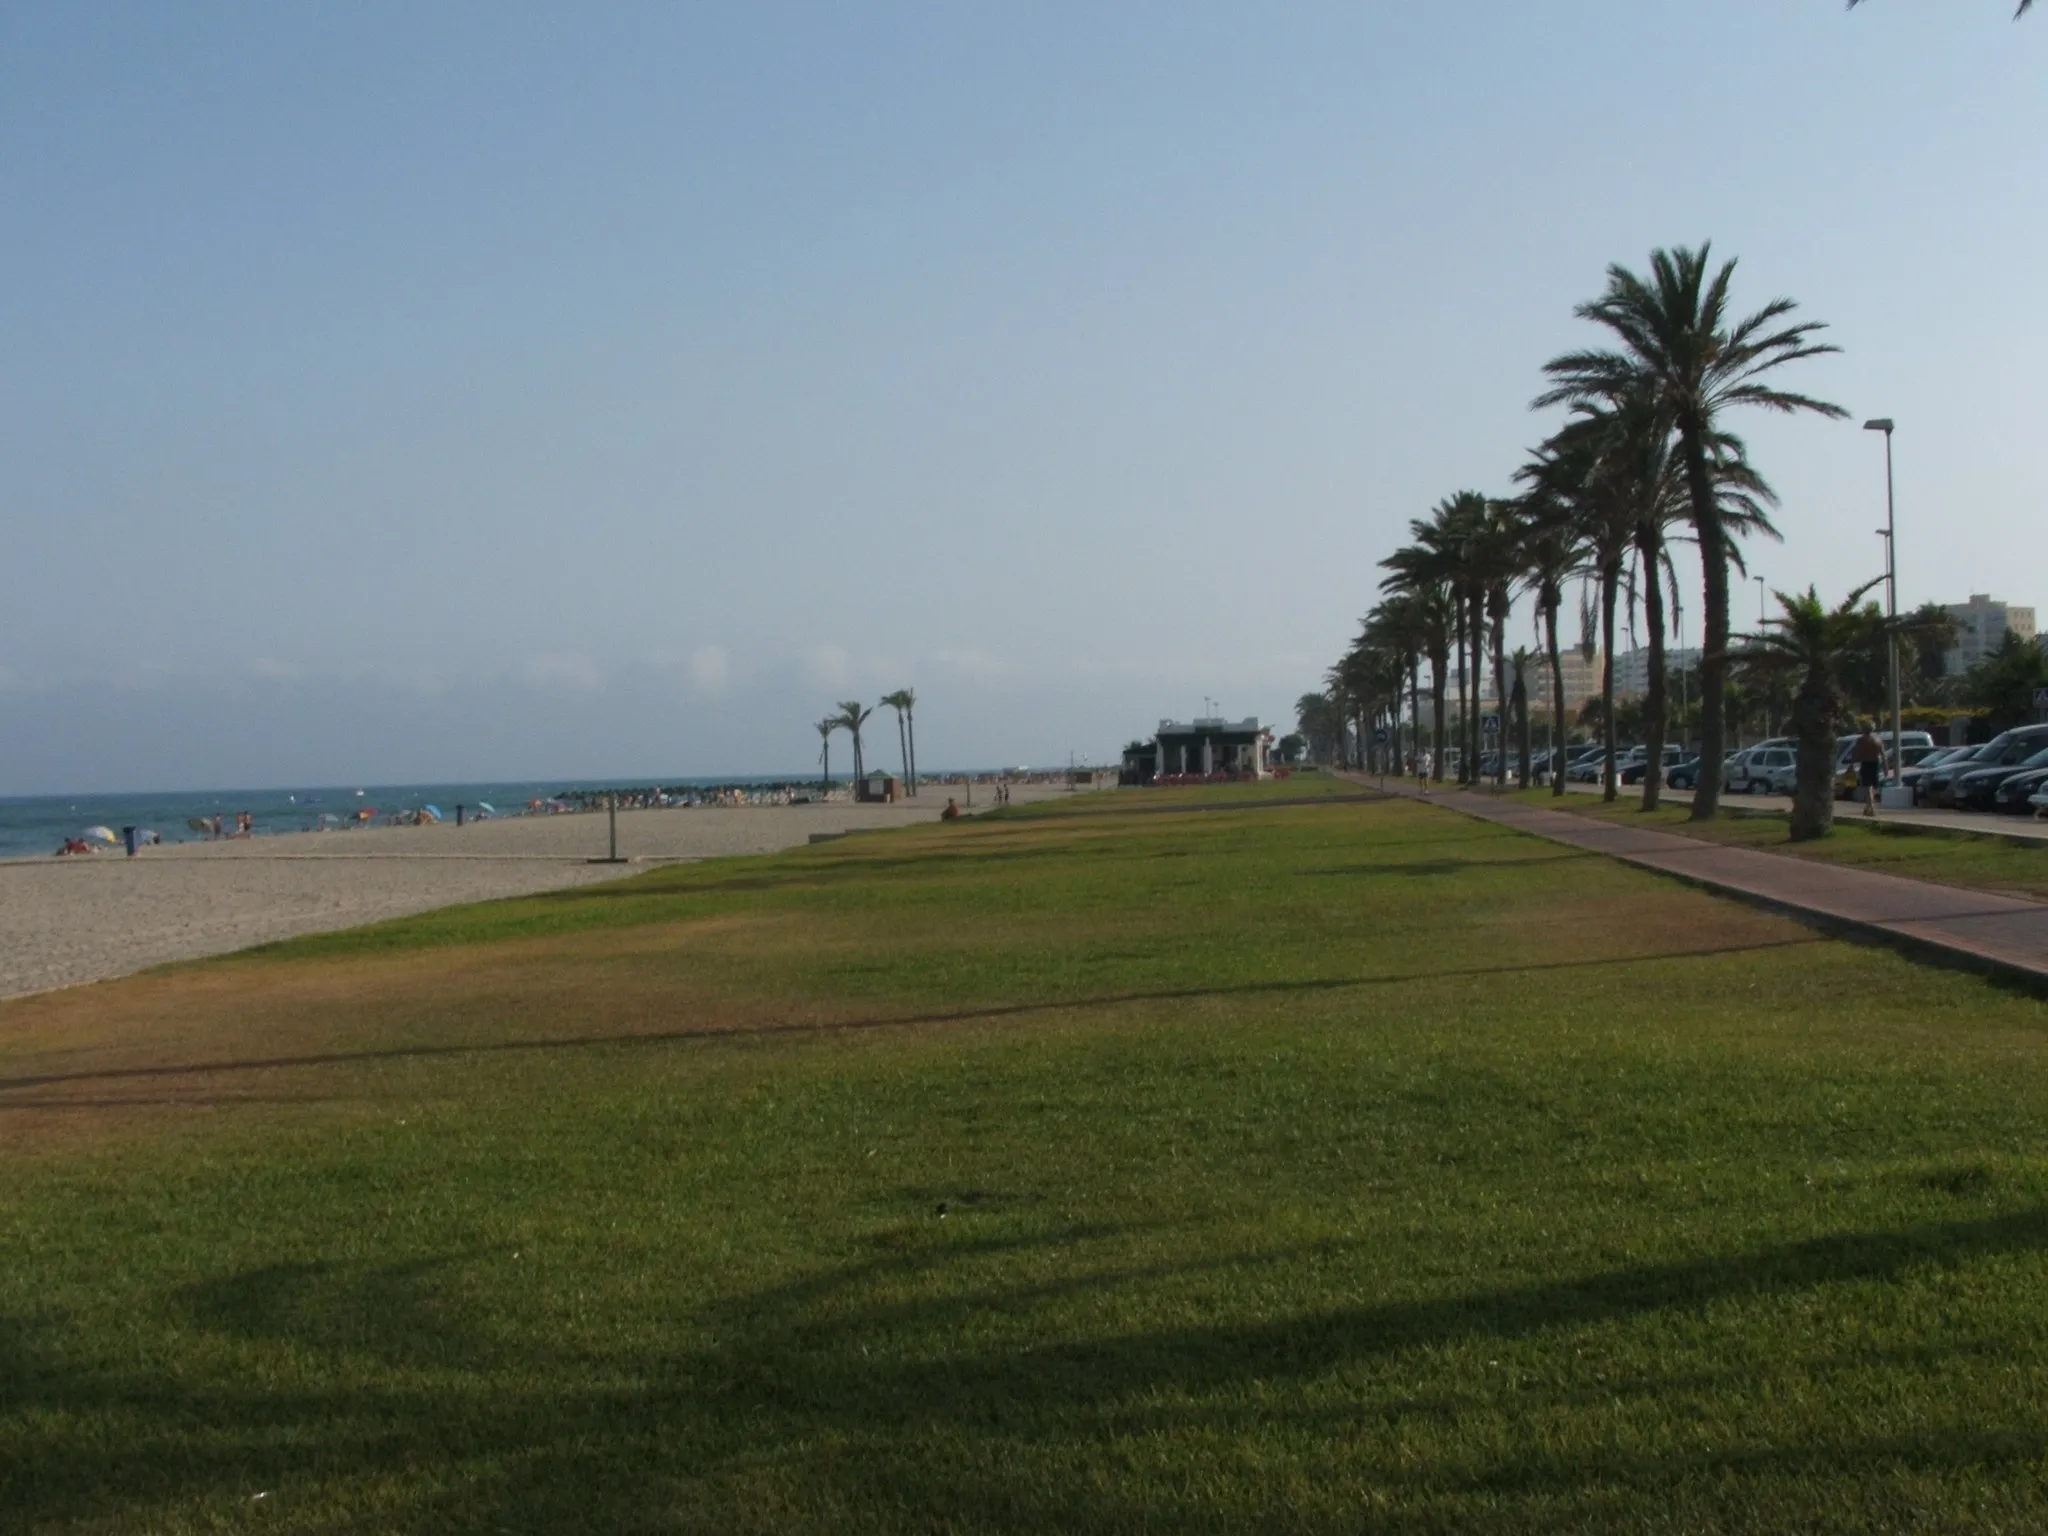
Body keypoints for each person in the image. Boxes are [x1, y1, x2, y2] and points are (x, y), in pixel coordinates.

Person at [1852, 721, 1886, 817]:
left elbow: (1855, 753)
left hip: (1866, 763)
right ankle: (1869, 807)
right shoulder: (1878, 739)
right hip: (1875, 763)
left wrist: (1851, 765)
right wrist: (1885, 767)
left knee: (1868, 787)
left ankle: (1870, 806)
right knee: (1873, 786)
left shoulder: (1861, 740)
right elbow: (1883, 754)